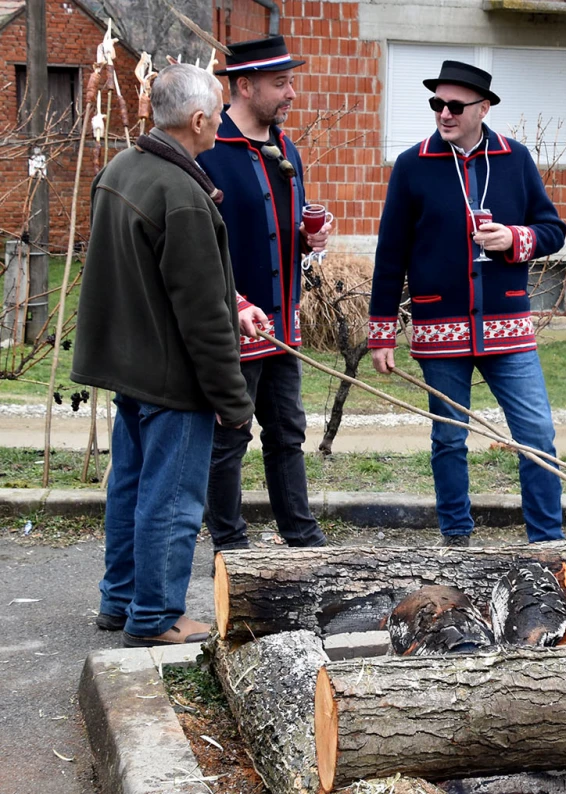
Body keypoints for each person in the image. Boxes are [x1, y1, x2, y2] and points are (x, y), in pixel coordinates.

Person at [71, 64, 253, 646]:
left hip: (131, 369)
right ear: (198, 120)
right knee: (171, 502)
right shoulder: (182, 196)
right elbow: (204, 316)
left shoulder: (122, 168)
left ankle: (119, 602)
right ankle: (154, 617)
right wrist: (233, 400)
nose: (223, 120)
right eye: (219, 111)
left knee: (129, 487)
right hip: (173, 379)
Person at [368, 60, 566, 547]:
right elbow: (391, 251)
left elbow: (553, 230)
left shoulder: (515, 158)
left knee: (537, 436)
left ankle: (547, 542)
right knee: (449, 439)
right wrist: (382, 330)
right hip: (441, 326)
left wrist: (515, 238)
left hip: (508, 328)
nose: (444, 113)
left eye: (455, 105)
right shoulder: (412, 165)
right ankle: (456, 538)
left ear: (483, 108)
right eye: (437, 103)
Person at [197, 36, 329, 555]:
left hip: (282, 323)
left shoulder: (286, 148)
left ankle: (301, 535)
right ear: (245, 86)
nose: (291, 93)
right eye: (281, 84)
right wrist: (233, 303)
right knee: (229, 438)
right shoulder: (207, 150)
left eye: (291, 82)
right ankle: (230, 546)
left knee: (288, 433)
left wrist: (307, 238)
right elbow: (199, 246)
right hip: (232, 322)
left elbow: (277, 231)